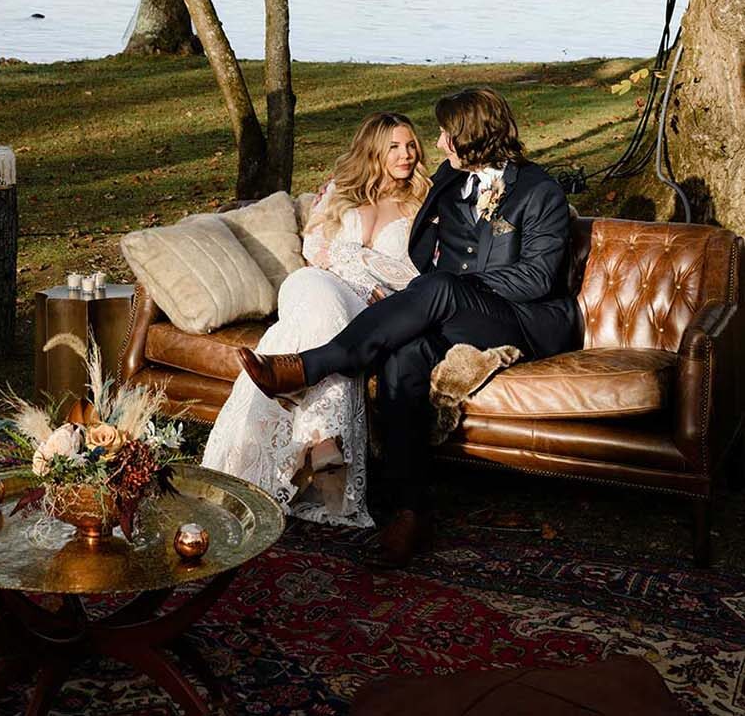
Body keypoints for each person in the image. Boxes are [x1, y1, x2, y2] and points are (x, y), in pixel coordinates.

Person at [238, 87, 579, 567]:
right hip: (456, 314)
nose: (436, 144)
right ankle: (410, 510)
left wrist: (454, 291)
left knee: (439, 288)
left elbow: (537, 278)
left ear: (472, 138)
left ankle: (311, 365)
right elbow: (415, 239)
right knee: (403, 357)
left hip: (524, 320)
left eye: (445, 135)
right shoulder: (449, 179)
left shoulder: (539, 190)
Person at [202, 112, 432, 527]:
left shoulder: (423, 205)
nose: (406, 155)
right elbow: (314, 248)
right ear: (373, 151)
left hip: (368, 308)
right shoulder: (339, 192)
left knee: (308, 328)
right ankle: (323, 440)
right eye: (395, 146)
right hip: (311, 286)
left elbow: (418, 276)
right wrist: (363, 262)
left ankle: (305, 443)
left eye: (411, 145)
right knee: (314, 289)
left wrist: (356, 265)